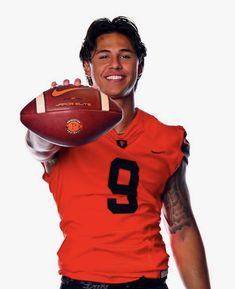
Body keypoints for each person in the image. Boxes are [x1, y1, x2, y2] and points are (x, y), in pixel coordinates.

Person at [25, 16, 211, 289]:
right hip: (82, 281)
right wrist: (53, 123)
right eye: (103, 56)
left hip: (148, 281)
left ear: (141, 66)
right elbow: (37, 147)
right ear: (87, 67)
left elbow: (181, 226)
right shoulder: (66, 135)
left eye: (125, 55)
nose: (115, 64)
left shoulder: (167, 137)